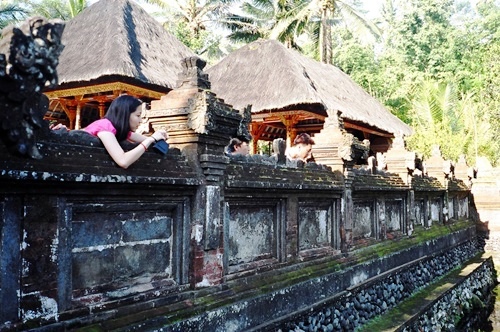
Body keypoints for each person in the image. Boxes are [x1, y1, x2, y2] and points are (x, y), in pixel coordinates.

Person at [50, 95, 167, 169]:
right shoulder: (105, 128)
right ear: (125, 114)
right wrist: (151, 139)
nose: (141, 120)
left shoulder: (119, 130)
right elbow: (123, 161)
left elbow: (147, 140)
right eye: (138, 115)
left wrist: (157, 137)